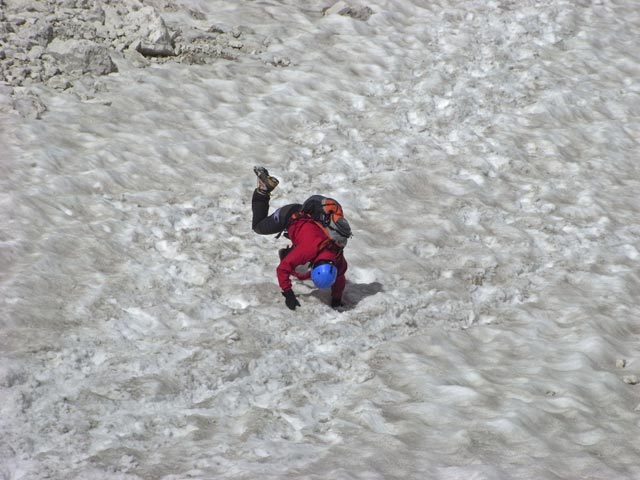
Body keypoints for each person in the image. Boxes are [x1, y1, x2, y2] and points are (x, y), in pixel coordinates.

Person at [251, 166, 351, 311]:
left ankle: (288, 254)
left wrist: (336, 300)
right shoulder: (309, 250)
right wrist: (288, 293)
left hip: (308, 224)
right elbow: (282, 270)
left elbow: (340, 279)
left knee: (300, 270)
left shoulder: (337, 255)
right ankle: (263, 189)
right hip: (290, 214)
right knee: (259, 227)